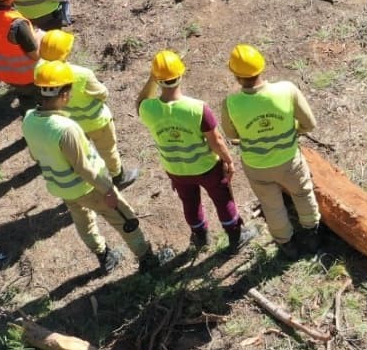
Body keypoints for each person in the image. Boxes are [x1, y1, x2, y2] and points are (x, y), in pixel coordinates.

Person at [26, 61, 167, 274]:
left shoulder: (29, 119)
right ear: (63, 95)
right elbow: (84, 168)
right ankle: (147, 259)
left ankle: (104, 256)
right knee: (124, 219)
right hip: (88, 188)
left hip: (62, 188)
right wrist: (108, 190)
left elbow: (35, 155)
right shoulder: (66, 129)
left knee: (82, 221)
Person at [137, 51, 254, 253]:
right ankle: (236, 235)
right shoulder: (197, 108)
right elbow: (216, 140)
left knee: (190, 203)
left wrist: (152, 79)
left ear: (158, 80)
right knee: (222, 199)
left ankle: (200, 237)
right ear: (181, 75)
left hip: (176, 169)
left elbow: (139, 102)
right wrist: (228, 160)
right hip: (207, 167)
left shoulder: (148, 109)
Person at [221, 45, 324, 259]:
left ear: (235, 75)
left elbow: (231, 134)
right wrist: (291, 131)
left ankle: (287, 244)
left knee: (272, 205)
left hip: (256, 166)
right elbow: (309, 124)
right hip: (289, 160)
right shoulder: (286, 90)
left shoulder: (230, 103)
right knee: (302, 193)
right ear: (261, 67)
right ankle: (312, 234)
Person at [36, 30, 136, 188]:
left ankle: (90, 179)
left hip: (71, 124)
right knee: (108, 150)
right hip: (96, 121)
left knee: (83, 153)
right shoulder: (82, 74)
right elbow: (103, 94)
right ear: (66, 52)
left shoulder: (39, 72)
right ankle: (118, 177)